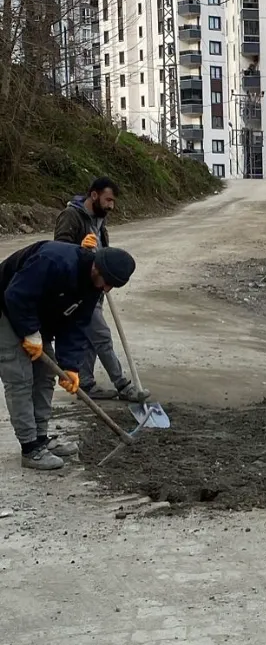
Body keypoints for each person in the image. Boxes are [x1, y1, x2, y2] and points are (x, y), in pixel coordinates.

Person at [0, 241, 136, 470]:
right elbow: (16, 295)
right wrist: (30, 331)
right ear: (97, 269)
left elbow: (76, 325)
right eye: (109, 283)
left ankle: (41, 438)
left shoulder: (93, 288)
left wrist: (70, 366)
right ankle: (30, 448)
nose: (107, 290)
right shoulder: (55, 260)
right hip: (5, 306)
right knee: (20, 377)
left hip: (32, 314)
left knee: (46, 373)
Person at [53, 177, 148, 403]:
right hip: (78, 289)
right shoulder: (71, 216)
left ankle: (85, 384)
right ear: (94, 195)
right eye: (108, 200)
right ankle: (123, 385)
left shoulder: (100, 221)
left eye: (113, 201)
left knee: (90, 339)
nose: (111, 206)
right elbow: (59, 250)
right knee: (102, 336)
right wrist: (80, 250)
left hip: (96, 287)